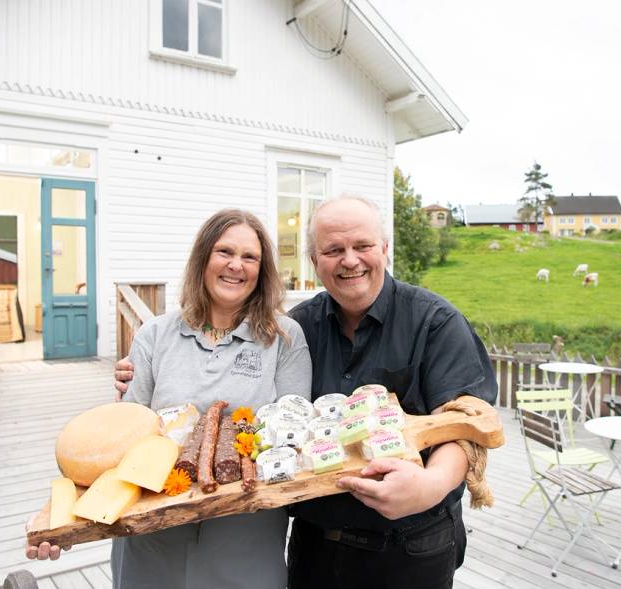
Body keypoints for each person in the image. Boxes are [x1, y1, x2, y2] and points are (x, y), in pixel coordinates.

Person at [115, 196, 497, 589]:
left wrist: (430, 487)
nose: (349, 260)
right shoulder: (301, 326)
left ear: (384, 248)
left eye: (362, 246)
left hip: (408, 547)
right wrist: (134, 378)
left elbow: (465, 419)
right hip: (316, 547)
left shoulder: (434, 321)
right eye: (333, 250)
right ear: (316, 261)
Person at [28, 208, 312, 589]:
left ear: (262, 270)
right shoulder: (155, 335)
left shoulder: (285, 339)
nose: (236, 266)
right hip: (154, 537)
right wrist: (62, 520)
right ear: (202, 259)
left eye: (250, 257)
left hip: (245, 539)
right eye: (224, 252)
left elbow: (292, 439)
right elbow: (122, 444)